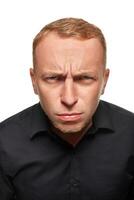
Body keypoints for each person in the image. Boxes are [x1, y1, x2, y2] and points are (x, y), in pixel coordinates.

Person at [0, 17, 134, 200]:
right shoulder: (3, 143)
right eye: (53, 78)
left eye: (85, 78)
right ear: (33, 81)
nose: (69, 98)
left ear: (105, 80)